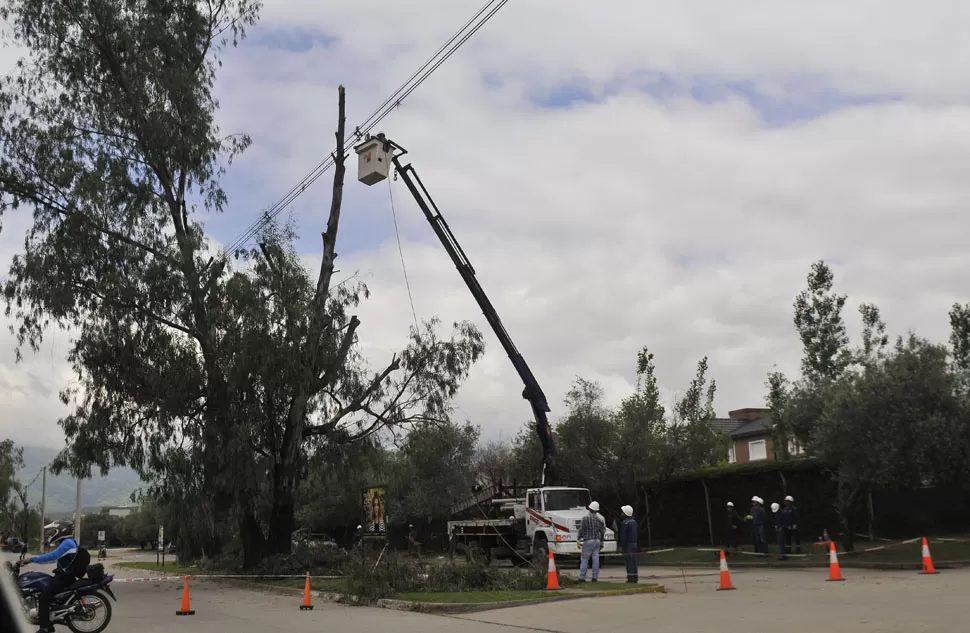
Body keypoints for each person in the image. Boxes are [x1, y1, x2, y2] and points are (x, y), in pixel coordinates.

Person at [21, 525, 89, 633]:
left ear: (62, 532)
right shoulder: (68, 542)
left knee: (44, 597)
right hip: (63, 576)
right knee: (43, 587)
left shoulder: (67, 543)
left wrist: (32, 559)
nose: (53, 534)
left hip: (64, 578)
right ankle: (49, 622)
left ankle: (45, 628)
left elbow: (52, 556)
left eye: (55, 531)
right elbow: (53, 559)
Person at [578, 501, 604, 583]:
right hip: (597, 541)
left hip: (588, 540)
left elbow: (582, 530)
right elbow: (602, 531)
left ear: (589, 509)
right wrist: (602, 541)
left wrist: (579, 538)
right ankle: (594, 577)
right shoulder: (599, 519)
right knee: (596, 559)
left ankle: (582, 577)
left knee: (585, 559)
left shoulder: (585, 518)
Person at [618, 505, 638, 583]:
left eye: (623, 512)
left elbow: (623, 536)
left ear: (625, 513)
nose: (621, 513)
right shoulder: (634, 522)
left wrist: (621, 545)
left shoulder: (625, 523)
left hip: (628, 545)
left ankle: (630, 578)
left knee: (629, 561)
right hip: (634, 543)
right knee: (634, 561)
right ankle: (635, 577)